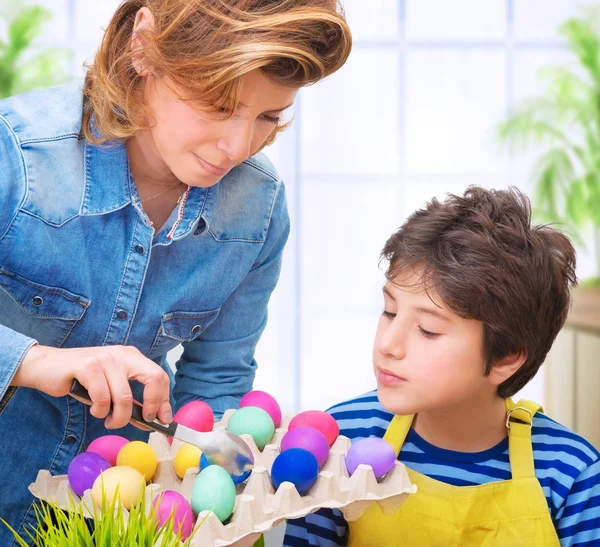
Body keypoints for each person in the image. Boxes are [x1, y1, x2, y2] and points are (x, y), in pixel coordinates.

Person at [0, 0, 351, 543]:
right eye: (217, 103)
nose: (238, 147)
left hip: (112, 528)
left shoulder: (256, 209)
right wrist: (32, 360)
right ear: (144, 44)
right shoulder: (17, 156)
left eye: (267, 117)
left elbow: (217, 384)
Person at [284, 187, 600, 546]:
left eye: (428, 330)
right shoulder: (341, 439)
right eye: (389, 311)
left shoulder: (570, 473)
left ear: (506, 357)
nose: (388, 344)